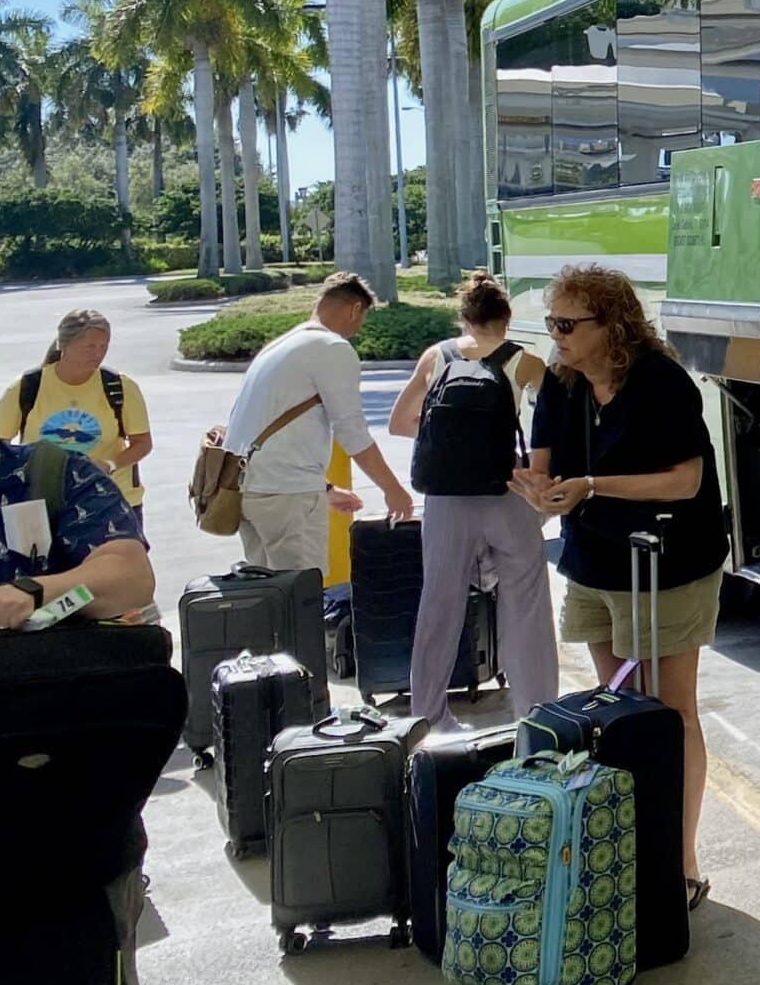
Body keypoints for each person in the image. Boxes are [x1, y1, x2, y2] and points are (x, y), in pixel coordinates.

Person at [514, 263, 726, 909]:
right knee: (620, 705)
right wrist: (534, 489)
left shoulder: (659, 382)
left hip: (668, 561)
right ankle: (634, 848)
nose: (556, 336)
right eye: (552, 323)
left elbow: (685, 480)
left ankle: (681, 863)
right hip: (595, 560)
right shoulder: (561, 382)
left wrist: (596, 486)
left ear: (613, 325)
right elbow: (546, 473)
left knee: (672, 709)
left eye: (568, 325)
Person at [0, 426, 168, 985]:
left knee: (97, 946)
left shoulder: (44, 473)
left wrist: (35, 592)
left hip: (58, 775)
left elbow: (129, 578)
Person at [387, 271, 557, 725]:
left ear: (463, 318)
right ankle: (535, 714)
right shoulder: (524, 361)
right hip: (508, 492)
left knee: (439, 605)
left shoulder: (436, 357)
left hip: (445, 501)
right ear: (506, 318)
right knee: (526, 604)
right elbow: (552, 426)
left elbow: (399, 423)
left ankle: (428, 716)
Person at [220, 271, 413, 572]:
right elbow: (352, 433)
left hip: (249, 487)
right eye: (360, 320)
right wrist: (393, 489)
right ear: (355, 309)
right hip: (286, 492)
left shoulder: (282, 345)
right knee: (301, 595)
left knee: (267, 596)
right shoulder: (332, 348)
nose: (357, 329)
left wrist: (323, 489)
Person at [0, 308, 155, 522]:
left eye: (104, 346)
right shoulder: (27, 387)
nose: (98, 353)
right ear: (64, 344)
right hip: (44, 505)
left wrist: (109, 464)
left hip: (112, 501)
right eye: (89, 346)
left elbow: (143, 443)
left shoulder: (120, 386)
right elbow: (1, 446)